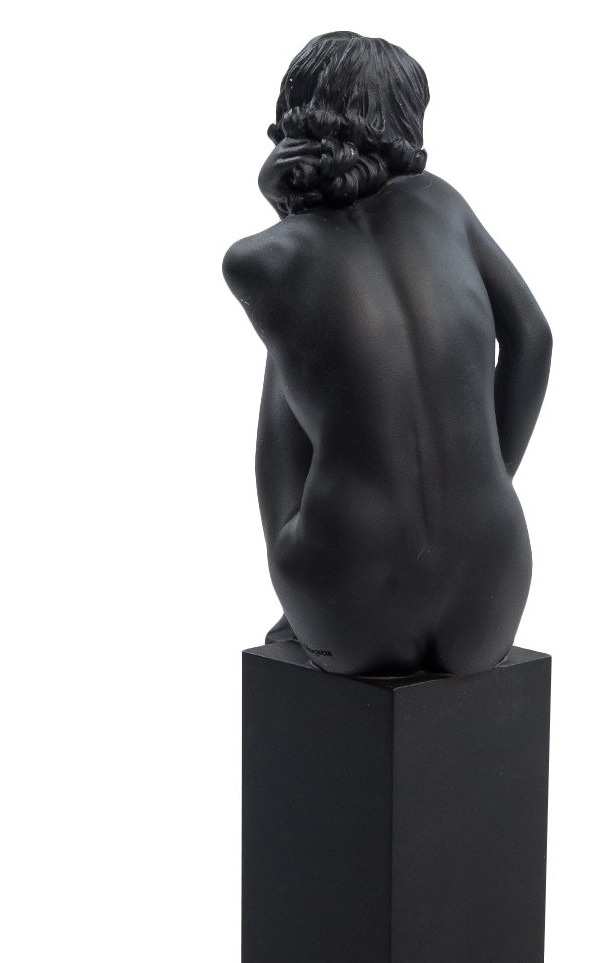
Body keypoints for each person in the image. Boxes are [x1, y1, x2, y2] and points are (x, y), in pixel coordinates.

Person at [223, 31, 552, 676]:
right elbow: (532, 340)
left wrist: (284, 201)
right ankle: (466, 510)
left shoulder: (258, 259)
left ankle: (295, 593)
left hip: (348, 600)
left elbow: (316, 282)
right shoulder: (443, 204)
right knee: (312, 331)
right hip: (492, 584)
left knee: (287, 345)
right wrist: (490, 475)